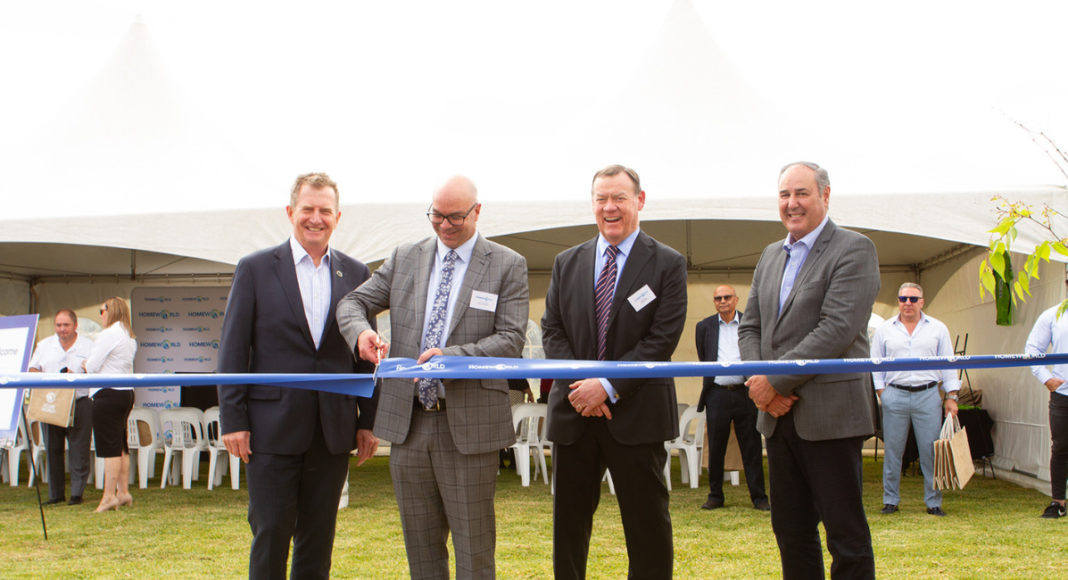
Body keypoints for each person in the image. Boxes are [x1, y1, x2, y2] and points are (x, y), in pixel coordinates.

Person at [337, 175, 529, 579]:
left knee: (474, 551)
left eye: (455, 216)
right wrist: (362, 333)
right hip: (409, 424)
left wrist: (451, 359)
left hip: (470, 426)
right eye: (436, 215)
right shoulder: (405, 257)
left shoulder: (507, 263)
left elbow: (511, 339)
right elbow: (353, 302)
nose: (444, 225)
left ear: (477, 212)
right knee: (421, 552)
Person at [218, 172, 378, 580]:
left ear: (338, 217)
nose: (316, 218)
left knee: (318, 537)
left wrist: (368, 422)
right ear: (290, 212)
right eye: (308, 209)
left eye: (325, 210)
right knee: (271, 531)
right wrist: (233, 419)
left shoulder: (357, 273)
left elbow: (366, 357)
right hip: (271, 429)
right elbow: (233, 349)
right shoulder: (255, 269)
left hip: (332, 429)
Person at [542, 164, 687, 580]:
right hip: (574, 414)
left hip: (637, 417)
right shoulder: (566, 262)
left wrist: (606, 387)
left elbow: (661, 340)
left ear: (639, 201)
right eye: (601, 199)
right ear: (592, 204)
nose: (610, 207)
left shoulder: (667, 263)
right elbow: (552, 330)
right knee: (569, 529)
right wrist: (582, 388)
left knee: (647, 529)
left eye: (619, 198)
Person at [739, 161, 880, 579]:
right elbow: (750, 327)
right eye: (784, 195)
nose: (792, 203)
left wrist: (774, 382)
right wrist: (760, 384)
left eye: (801, 193)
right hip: (778, 420)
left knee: (845, 536)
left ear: (825, 195)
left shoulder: (854, 249)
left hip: (830, 416)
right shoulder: (770, 255)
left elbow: (837, 329)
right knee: (791, 531)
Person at [871, 282, 960, 517]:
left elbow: (949, 363)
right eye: (903, 299)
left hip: (928, 394)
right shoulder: (884, 330)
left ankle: (933, 502)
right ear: (898, 302)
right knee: (893, 451)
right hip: (895, 394)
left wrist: (951, 396)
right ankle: (890, 500)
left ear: (922, 302)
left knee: (930, 451)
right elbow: (875, 363)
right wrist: (882, 392)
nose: (907, 303)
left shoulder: (938, 328)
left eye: (912, 299)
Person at [695, 284, 770, 511]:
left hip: (746, 392)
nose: (722, 301)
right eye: (718, 298)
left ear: (736, 300)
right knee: (715, 447)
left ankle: (759, 497)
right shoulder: (704, 327)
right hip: (717, 394)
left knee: (752, 447)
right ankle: (715, 496)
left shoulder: (750, 324)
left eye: (727, 297)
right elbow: (704, 356)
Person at [27, 309, 94, 506]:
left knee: (79, 449)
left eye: (66, 325)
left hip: (79, 402)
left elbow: (95, 370)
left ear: (75, 325)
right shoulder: (44, 345)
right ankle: (55, 494)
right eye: (58, 325)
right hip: (52, 402)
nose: (62, 329)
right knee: (53, 449)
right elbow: (33, 368)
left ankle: (76, 493)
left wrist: (77, 375)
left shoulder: (89, 345)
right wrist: (47, 377)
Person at [85, 297, 137, 513]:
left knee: (110, 447)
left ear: (110, 311)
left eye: (101, 311)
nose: (100, 316)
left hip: (108, 393)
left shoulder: (108, 334)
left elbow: (91, 366)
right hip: (125, 393)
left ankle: (108, 496)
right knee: (120, 444)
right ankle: (122, 492)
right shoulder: (129, 336)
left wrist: (84, 363)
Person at [1024, 277, 1068, 519]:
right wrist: (1046, 378)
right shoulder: (1052, 315)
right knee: (1061, 447)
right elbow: (1032, 350)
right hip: (1062, 393)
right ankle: (1058, 502)